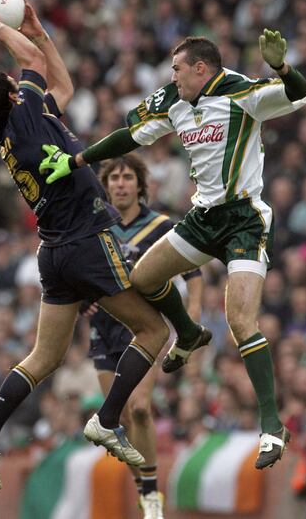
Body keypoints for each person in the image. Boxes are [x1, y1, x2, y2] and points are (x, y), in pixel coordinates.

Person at [40, 32, 306, 467]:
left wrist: (282, 67)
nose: (172, 76)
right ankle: (186, 332)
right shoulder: (174, 99)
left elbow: (299, 94)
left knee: (241, 320)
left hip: (244, 219)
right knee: (143, 279)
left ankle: (271, 425)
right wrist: (76, 161)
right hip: (203, 218)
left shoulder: (242, 91)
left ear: (200, 69)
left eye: (177, 69)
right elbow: (130, 135)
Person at [0, 0, 172, 489]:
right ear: (14, 96)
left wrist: (39, 32)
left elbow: (63, 83)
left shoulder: (18, 128)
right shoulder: (26, 113)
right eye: (18, 84)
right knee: (155, 331)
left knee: (45, 358)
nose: (24, 82)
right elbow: (33, 68)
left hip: (54, 251)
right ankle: (107, 419)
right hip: (85, 241)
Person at [88, 154, 203, 518]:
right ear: (106, 188)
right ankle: (144, 486)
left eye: (127, 177)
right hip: (104, 330)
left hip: (145, 329)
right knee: (118, 421)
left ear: (141, 184)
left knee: (139, 408)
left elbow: (193, 271)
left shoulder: (161, 225)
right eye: (114, 179)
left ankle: (151, 493)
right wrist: (81, 302)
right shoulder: (94, 226)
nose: (120, 184)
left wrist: (194, 314)